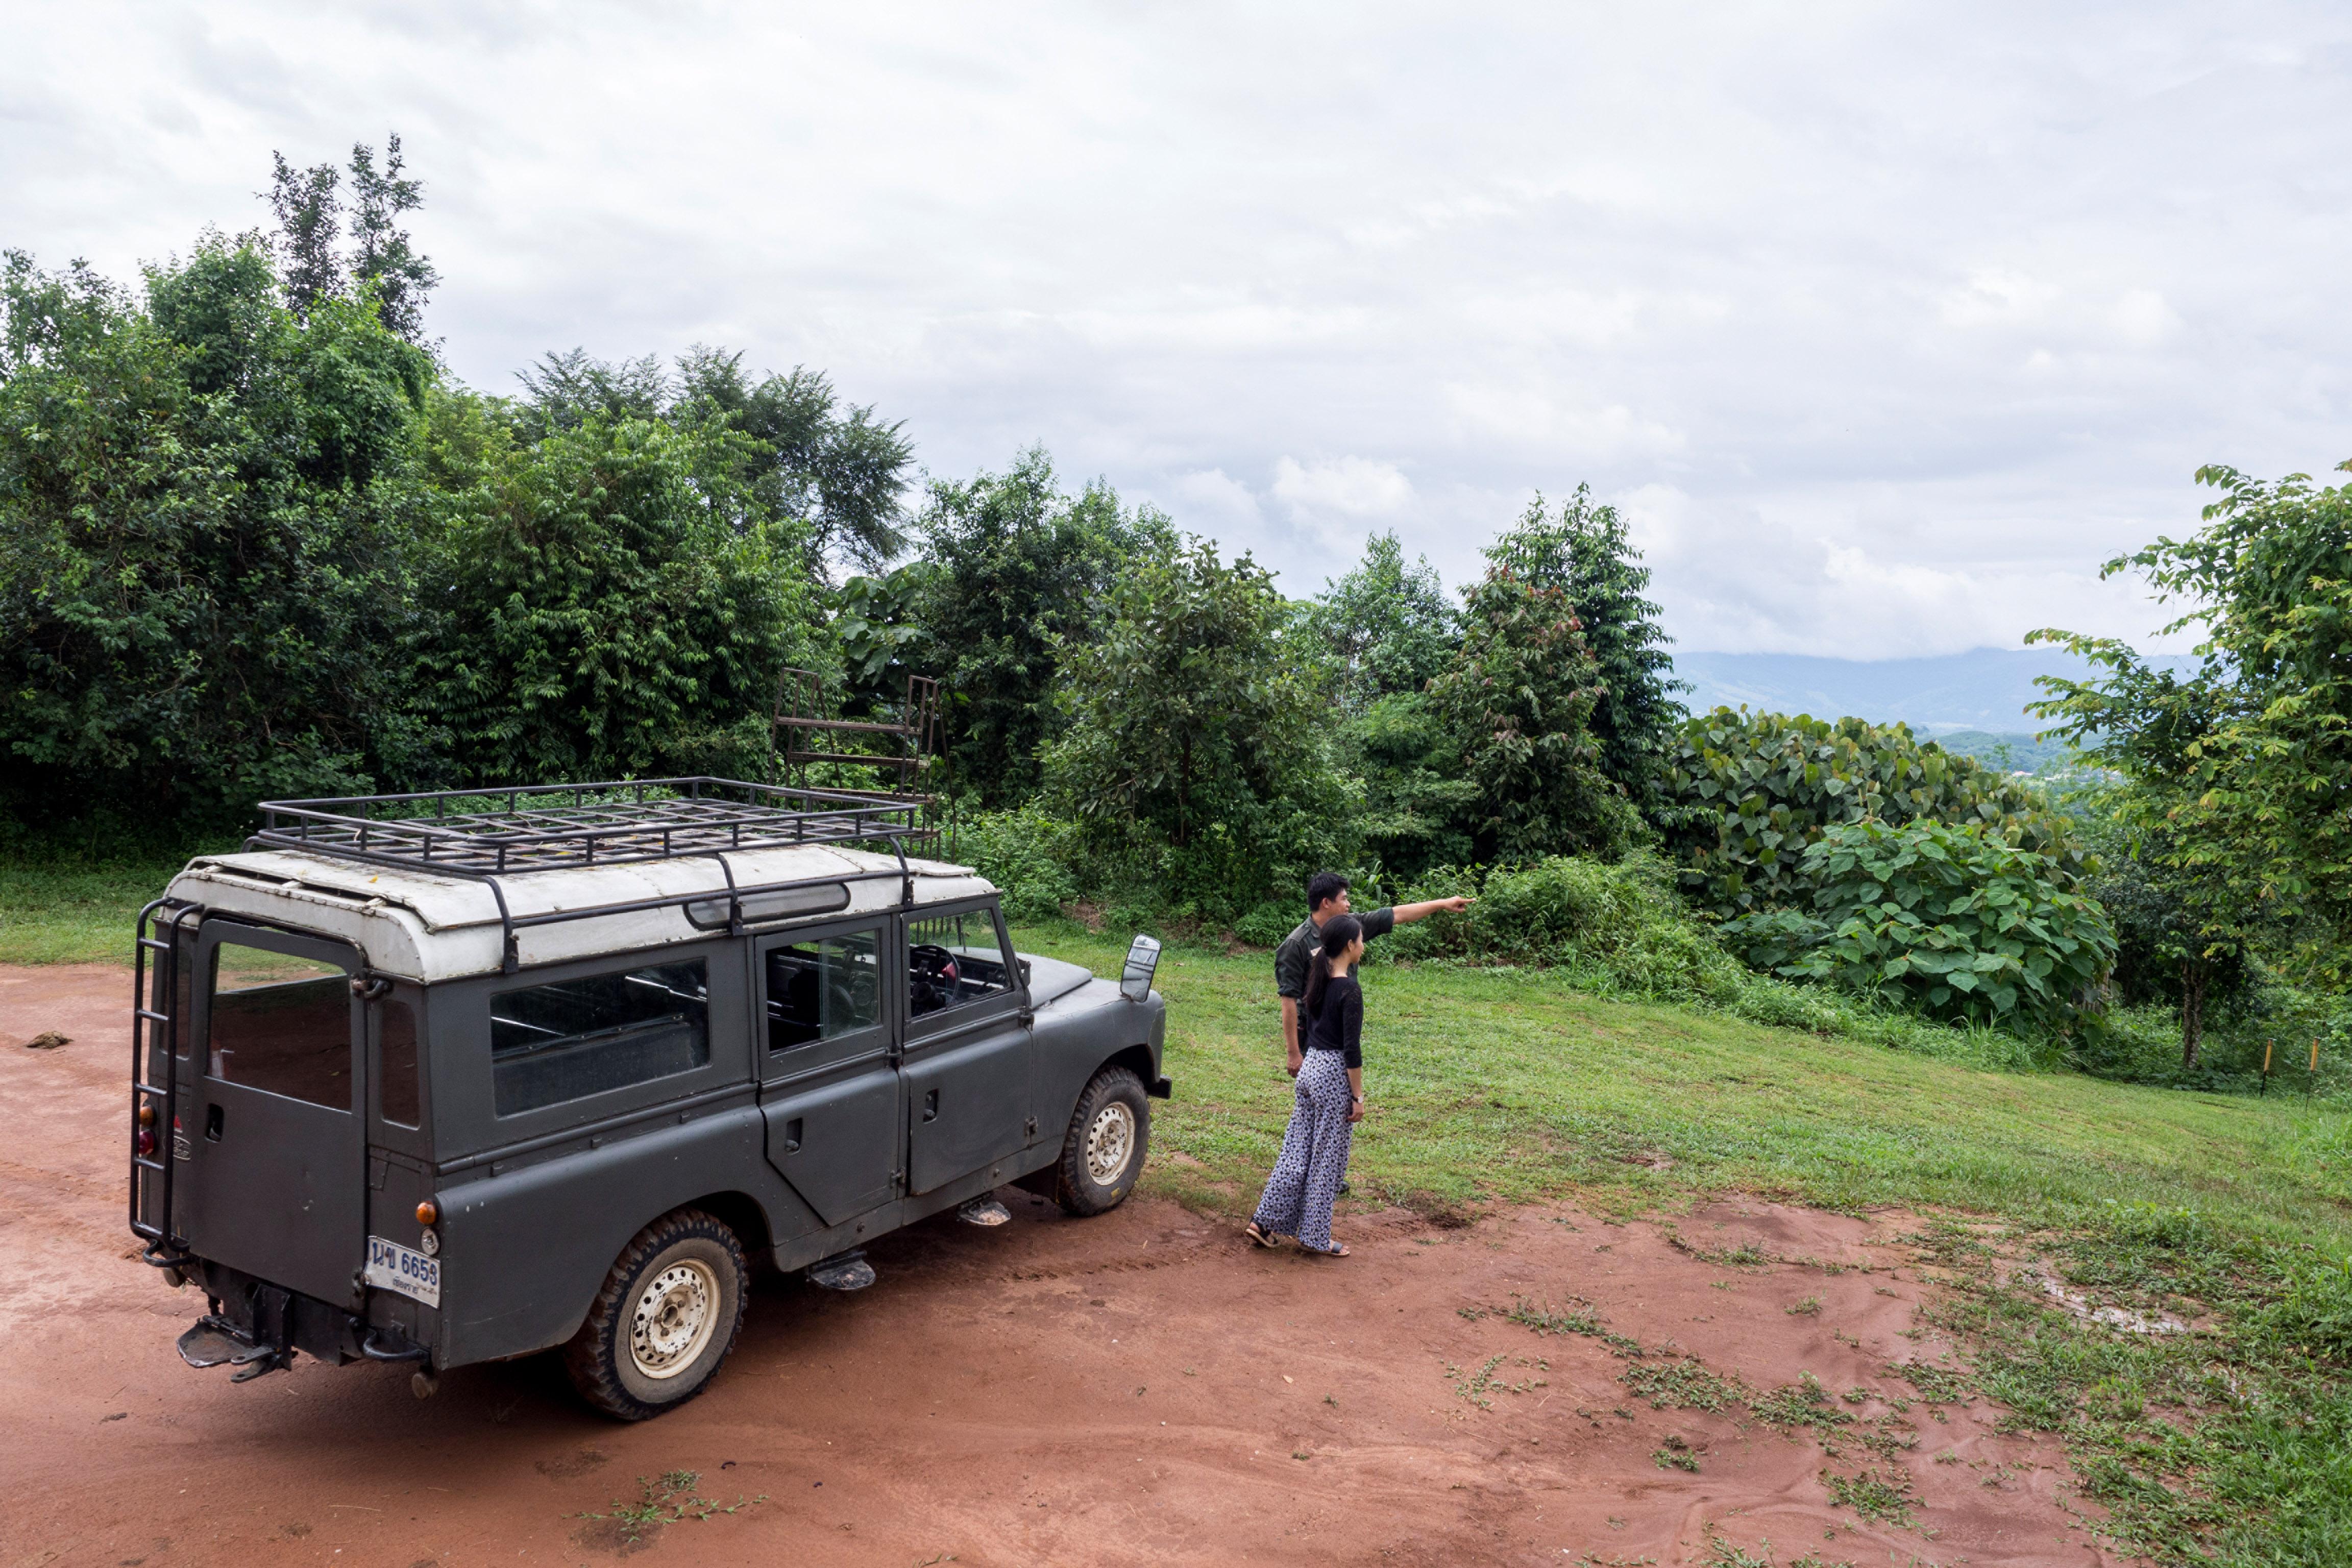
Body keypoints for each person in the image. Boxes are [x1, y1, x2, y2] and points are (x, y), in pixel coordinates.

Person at [1247, 914, 1367, 1256]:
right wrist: (1357, 1097)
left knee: (1296, 1154)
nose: (1363, 945)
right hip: (1332, 1076)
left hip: (1310, 1068)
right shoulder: (1349, 990)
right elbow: (1351, 1051)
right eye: (1360, 940)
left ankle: (1263, 1222)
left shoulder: (1316, 982)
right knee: (1327, 1161)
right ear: (1348, 946)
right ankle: (1316, 1237)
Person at [1275, 873, 1468, 1080]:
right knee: (1317, 1093)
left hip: (1344, 1032)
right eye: (1344, 899)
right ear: (1326, 903)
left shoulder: (1350, 926)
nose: (1349, 904)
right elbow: (1289, 1001)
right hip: (1314, 1037)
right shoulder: (1296, 944)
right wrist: (1294, 1053)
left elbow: (1396, 915)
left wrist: (1442, 904)